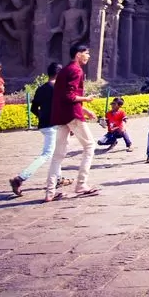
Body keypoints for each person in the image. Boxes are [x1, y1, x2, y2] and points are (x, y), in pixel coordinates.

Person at [44, 44, 99, 202]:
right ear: (78, 54)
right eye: (86, 53)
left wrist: (85, 110)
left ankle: (50, 191)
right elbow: (69, 96)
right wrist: (86, 99)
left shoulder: (65, 70)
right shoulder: (76, 70)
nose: (88, 56)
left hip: (61, 116)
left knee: (58, 155)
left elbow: (64, 96)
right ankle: (81, 184)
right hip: (71, 116)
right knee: (89, 146)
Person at [10, 62, 71, 196]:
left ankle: (59, 179)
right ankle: (20, 178)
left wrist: (43, 117)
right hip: (53, 125)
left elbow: (33, 108)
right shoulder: (57, 89)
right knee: (48, 154)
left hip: (44, 125)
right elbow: (64, 109)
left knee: (56, 153)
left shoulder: (41, 88)